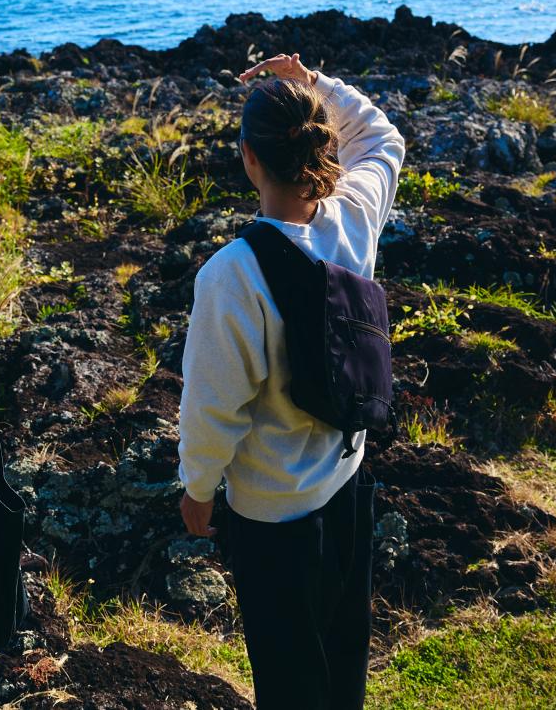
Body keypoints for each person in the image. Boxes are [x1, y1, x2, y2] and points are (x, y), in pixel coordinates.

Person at [177, 52, 406, 710]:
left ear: (248, 157)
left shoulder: (230, 275)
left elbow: (212, 406)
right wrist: (314, 83)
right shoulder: (352, 219)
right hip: (349, 485)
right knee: (343, 657)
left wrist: (196, 488)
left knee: (287, 677)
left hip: (274, 517)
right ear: (320, 142)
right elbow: (382, 138)